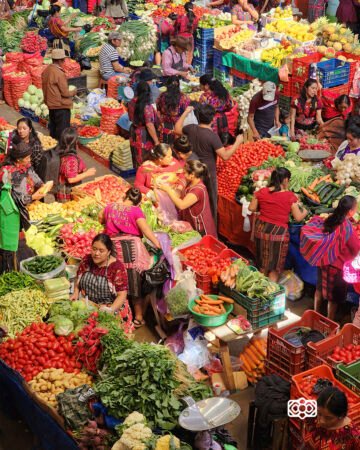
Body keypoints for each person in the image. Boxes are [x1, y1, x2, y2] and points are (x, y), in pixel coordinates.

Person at [99, 188, 160, 328]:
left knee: (116, 279)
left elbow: (101, 219)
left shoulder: (110, 206)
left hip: (113, 247)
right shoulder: (136, 211)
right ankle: (138, 317)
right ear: (137, 202)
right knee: (133, 281)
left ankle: (117, 313)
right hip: (130, 249)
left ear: (125, 196)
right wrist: (158, 244)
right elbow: (145, 230)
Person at [175, 104, 244, 219]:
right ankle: (211, 228)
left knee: (194, 201)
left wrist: (186, 112)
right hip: (208, 174)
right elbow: (225, 156)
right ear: (212, 119)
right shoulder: (212, 136)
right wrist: (238, 142)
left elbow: (177, 129)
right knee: (211, 203)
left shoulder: (191, 128)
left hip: (193, 171)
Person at [249, 167, 308, 282]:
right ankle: (271, 294)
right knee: (274, 268)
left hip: (261, 230)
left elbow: (251, 208)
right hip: (278, 234)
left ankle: (260, 290)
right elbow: (298, 217)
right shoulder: (290, 196)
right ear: (285, 180)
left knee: (262, 265)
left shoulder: (261, 192)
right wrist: (305, 211)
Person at [72, 233, 133, 334]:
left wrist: (111, 310)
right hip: (90, 307)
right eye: (94, 249)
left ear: (109, 252)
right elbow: (78, 279)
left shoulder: (117, 267)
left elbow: (122, 295)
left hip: (112, 309)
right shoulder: (86, 260)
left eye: (101, 251)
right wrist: (75, 292)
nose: (96, 253)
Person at [314, 196, 360, 321]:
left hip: (323, 261)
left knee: (319, 290)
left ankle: (315, 314)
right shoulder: (348, 228)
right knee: (333, 299)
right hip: (337, 267)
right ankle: (330, 322)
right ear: (350, 211)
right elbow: (356, 249)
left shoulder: (330, 219)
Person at [158, 160, 217, 236]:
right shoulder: (191, 181)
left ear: (192, 175)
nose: (183, 174)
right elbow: (181, 182)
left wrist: (168, 190)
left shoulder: (198, 189)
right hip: (190, 222)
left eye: (185, 173)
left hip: (200, 228)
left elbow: (182, 205)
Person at [42, 48, 77, 141]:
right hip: (60, 106)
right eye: (64, 60)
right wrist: (73, 92)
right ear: (61, 60)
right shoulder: (59, 73)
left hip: (51, 104)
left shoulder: (47, 70)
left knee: (53, 128)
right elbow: (65, 93)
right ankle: (61, 150)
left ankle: (53, 146)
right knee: (62, 131)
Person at [56, 128, 96, 202]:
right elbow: (71, 179)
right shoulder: (71, 160)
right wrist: (87, 173)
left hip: (61, 187)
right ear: (74, 142)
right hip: (68, 191)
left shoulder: (62, 151)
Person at [0, 141, 46, 206]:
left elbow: (33, 175)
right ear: (18, 159)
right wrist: (32, 197)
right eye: (27, 158)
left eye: (29, 157)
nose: (29, 160)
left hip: (27, 202)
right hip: (14, 207)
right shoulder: (12, 173)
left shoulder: (26, 165)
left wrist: (42, 185)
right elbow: (15, 198)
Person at [128, 81, 160, 167]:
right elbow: (149, 125)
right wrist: (156, 141)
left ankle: (138, 174)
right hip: (144, 134)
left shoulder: (131, 102)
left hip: (133, 130)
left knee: (135, 154)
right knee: (145, 158)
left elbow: (130, 117)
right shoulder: (147, 106)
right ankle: (145, 177)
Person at [156, 76, 190, 145]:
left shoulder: (162, 96)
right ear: (178, 85)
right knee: (178, 146)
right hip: (178, 125)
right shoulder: (184, 97)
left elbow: (158, 108)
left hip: (164, 125)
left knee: (165, 147)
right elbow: (185, 111)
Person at [199, 75, 233, 141]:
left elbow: (202, 110)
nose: (200, 86)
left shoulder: (205, 96)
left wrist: (207, 102)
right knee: (222, 141)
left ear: (206, 85)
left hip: (211, 121)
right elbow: (230, 105)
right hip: (223, 120)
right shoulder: (224, 93)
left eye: (201, 84)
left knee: (213, 141)